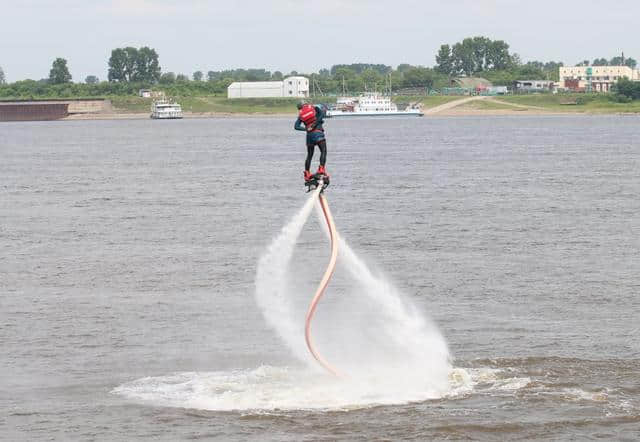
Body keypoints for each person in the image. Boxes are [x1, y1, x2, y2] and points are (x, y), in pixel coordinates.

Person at [294, 102, 328, 183]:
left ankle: (307, 174)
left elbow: (296, 126)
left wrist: (306, 129)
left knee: (309, 155)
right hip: (318, 132)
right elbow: (322, 114)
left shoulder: (301, 115)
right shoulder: (313, 108)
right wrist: (315, 124)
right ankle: (321, 169)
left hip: (309, 136)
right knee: (323, 150)